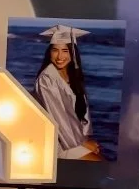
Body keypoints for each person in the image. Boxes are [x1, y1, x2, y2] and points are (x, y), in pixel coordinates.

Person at [35, 25, 102, 161]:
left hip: (75, 139)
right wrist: (81, 144)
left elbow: (82, 113)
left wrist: (86, 139)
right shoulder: (47, 79)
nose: (60, 56)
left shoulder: (73, 77)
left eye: (65, 51)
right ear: (49, 53)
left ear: (73, 53)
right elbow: (58, 116)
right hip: (60, 143)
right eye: (55, 50)